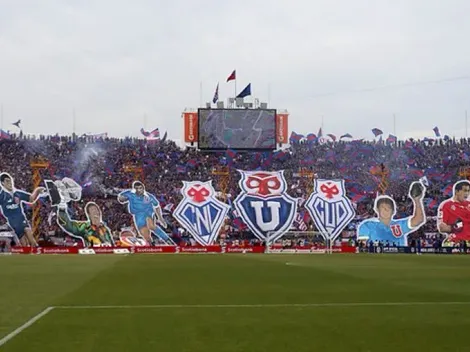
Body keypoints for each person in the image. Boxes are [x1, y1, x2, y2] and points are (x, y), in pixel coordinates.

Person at [357, 182, 426, 246]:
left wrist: (417, 200)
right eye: (383, 208)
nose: (386, 210)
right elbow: (362, 247)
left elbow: (418, 220)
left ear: (393, 211)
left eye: (388, 208)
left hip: (398, 257)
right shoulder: (367, 225)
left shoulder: (399, 225)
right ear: (377, 209)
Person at [0, 172, 46, 246]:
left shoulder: (17, 193)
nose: (10, 183)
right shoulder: (2, 196)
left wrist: (37, 190)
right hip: (13, 222)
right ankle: (31, 253)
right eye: (7, 181)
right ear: (2, 183)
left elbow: (31, 199)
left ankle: (37, 251)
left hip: (21, 219)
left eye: (10, 180)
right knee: (24, 244)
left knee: (29, 234)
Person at [437, 180, 470, 246]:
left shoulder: (469, 205)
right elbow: (442, 228)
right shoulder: (446, 205)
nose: (467, 193)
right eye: (465, 190)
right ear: (456, 191)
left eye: (468, 191)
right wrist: (456, 227)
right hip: (456, 242)